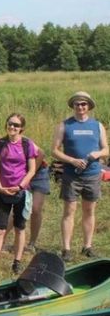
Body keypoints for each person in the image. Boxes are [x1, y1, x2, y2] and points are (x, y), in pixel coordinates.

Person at [51, 91, 109, 261]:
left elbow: (106, 149)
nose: (80, 107)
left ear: (89, 106)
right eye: (77, 104)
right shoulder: (64, 125)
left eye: (84, 104)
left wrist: (96, 154)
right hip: (71, 175)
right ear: (73, 106)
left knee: (89, 210)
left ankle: (87, 246)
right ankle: (66, 249)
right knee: (69, 211)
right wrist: (72, 160)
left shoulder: (97, 126)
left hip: (92, 175)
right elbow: (54, 151)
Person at [0, 114, 37, 276]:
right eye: (10, 124)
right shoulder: (0, 143)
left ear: (22, 128)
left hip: (21, 192)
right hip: (2, 191)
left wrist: (20, 186)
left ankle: (17, 262)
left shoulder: (27, 144)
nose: (12, 127)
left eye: (16, 125)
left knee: (19, 228)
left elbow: (32, 170)